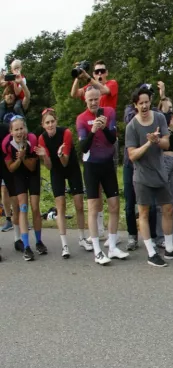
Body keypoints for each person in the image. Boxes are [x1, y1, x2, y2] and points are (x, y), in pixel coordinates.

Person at [124, 86, 173, 266]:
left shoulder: (159, 118)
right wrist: (148, 143)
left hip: (160, 173)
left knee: (168, 209)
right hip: (142, 176)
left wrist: (157, 140)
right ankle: (151, 253)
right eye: (140, 103)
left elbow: (167, 144)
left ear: (150, 102)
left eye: (147, 102)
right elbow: (132, 155)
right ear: (135, 105)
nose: (144, 106)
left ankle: (169, 249)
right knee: (143, 213)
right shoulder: (132, 127)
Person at [76, 86, 128, 265]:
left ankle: (112, 247)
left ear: (100, 98)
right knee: (93, 206)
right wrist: (92, 131)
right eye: (90, 100)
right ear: (85, 100)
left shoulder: (109, 112)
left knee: (114, 205)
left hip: (107, 165)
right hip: (91, 166)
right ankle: (97, 251)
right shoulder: (81, 119)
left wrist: (104, 127)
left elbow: (113, 139)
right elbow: (83, 147)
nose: (93, 102)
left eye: (96, 99)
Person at [36, 108, 89, 257]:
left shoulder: (66, 132)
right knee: (61, 206)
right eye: (47, 123)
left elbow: (65, 162)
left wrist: (60, 154)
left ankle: (81, 238)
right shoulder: (42, 139)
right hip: (56, 171)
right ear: (43, 125)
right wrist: (45, 156)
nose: (50, 125)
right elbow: (49, 166)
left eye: (52, 121)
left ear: (56, 121)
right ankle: (64, 245)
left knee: (79, 204)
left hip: (70, 167)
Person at [4, 116, 43, 260]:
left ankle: (39, 242)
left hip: (32, 172)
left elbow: (32, 166)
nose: (20, 132)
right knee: (23, 207)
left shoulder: (32, 140)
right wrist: (19, 159)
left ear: (25, 129)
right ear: (11, 131)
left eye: (22, 128)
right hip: (19, 174)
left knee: (35, 207)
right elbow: (11, 169)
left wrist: (24, 156)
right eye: (16, 130)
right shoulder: (6, 144)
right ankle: (26, 246)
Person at [154, 97, 173, 248]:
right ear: (160, 109)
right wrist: (171, 127)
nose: (170, 110)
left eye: (172, 107)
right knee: (163, 202)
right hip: (162, 161)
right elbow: (161, 144)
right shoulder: (158, 123)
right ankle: (161, 236)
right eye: (167, 107)